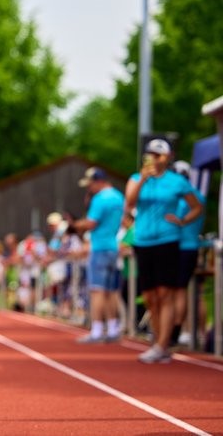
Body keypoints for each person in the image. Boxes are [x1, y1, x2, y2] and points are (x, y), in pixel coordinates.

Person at [124, 138, 202, 363]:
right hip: (143, 241)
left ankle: (162, 345)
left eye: (157, 154)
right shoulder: (137, 179)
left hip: (168, 241)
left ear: (167, 158)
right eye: (149, 154)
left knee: (165, 293)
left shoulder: (177, 181)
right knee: (149, 297)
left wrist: (182, 220)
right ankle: (158, 340)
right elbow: (129, 203)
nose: (153, 158)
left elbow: (197, 206)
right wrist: (144, 179)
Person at [71, 167, 125, 343]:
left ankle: (97, 330)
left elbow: (91, 223)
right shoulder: (118, 196)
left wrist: (76, 226)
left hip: (100, 247)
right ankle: (113, 328)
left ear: (98, 181)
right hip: (113, 247)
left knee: (97, 290)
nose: (89, 188)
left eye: (90, 184)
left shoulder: (100, 199)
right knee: (111, 291)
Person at [170, 160, 206, 347]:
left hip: (179, 247)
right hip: (193, 247)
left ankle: (179, 331)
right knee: (196, 292)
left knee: (178, 291)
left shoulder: (181, 198)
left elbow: (173, 220)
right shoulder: (198, 195)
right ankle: (198, 333)